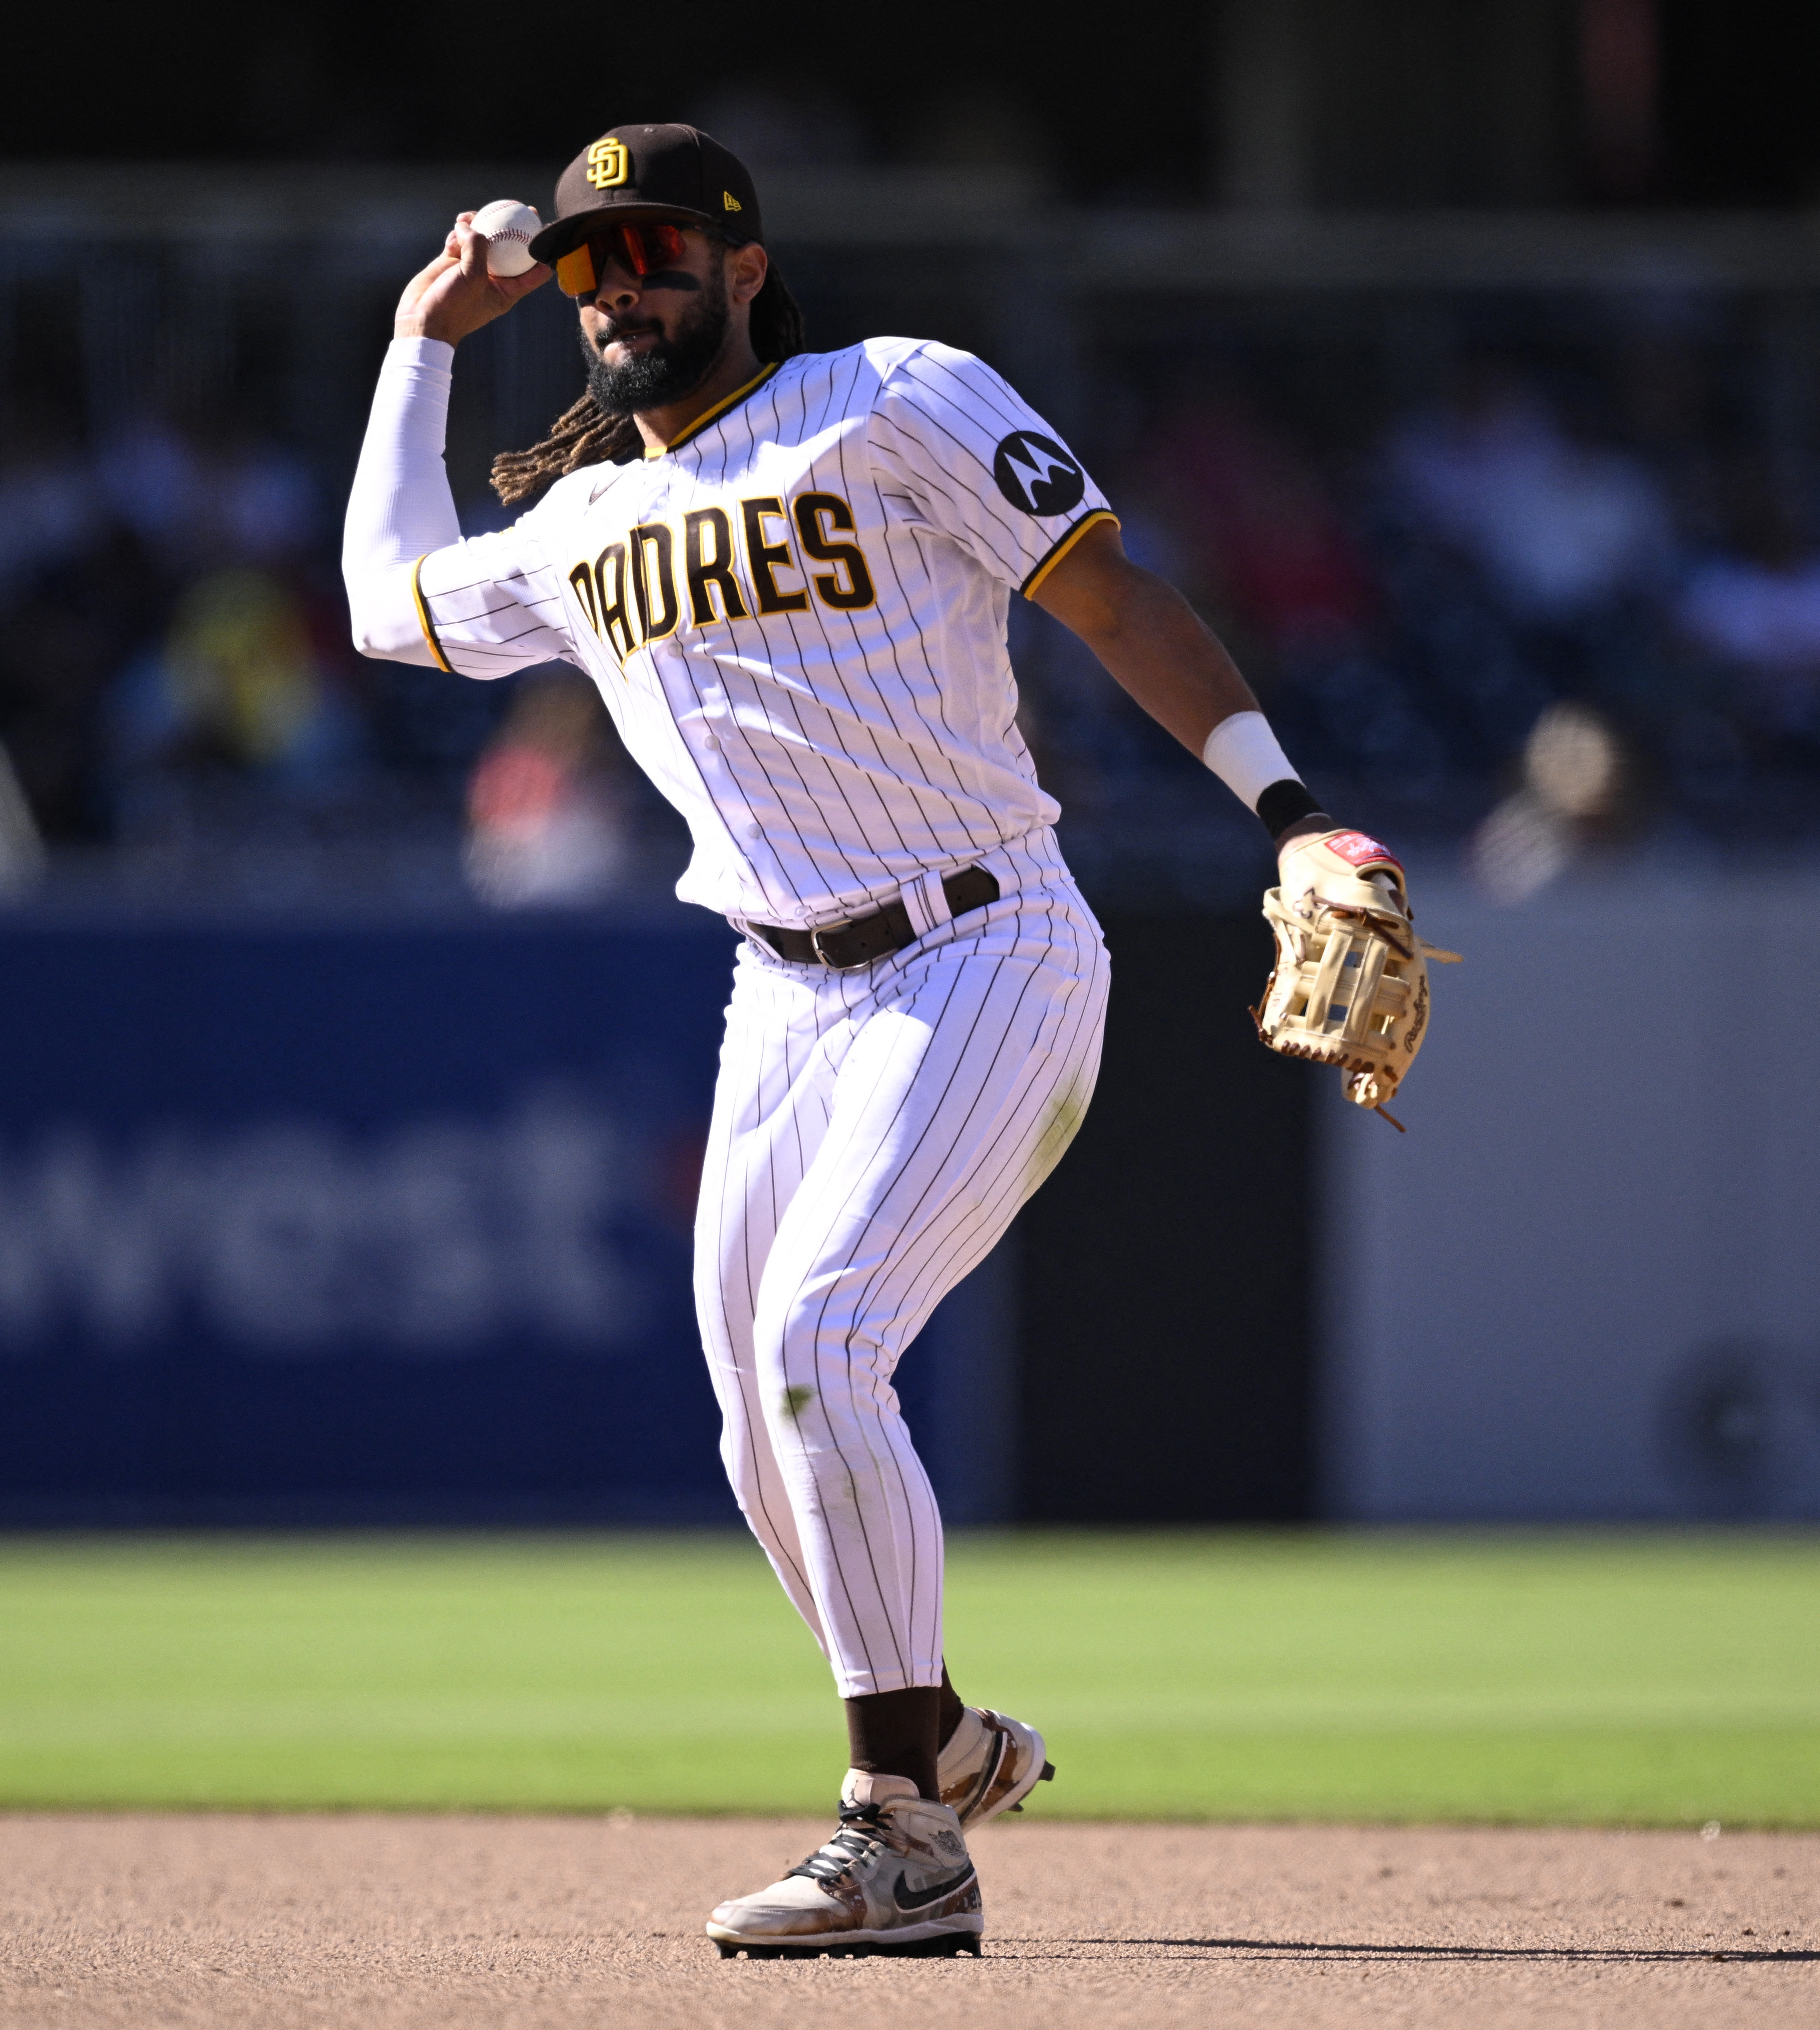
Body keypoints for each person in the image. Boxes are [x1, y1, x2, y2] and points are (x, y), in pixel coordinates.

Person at [341, 124, 1409, 1959]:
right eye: (593, 263)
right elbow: (383, 602)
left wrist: (1289, 811)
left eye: (661, 248)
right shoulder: (586, 524)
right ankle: (946, 1739)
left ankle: (900, 1837)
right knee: (765, 1427)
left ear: (749, 266)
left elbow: (1108, 594)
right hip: (782, 992)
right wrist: (423, 338)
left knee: (822, 1338)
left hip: (982, 944)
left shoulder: (895, 398)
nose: (622, 286)